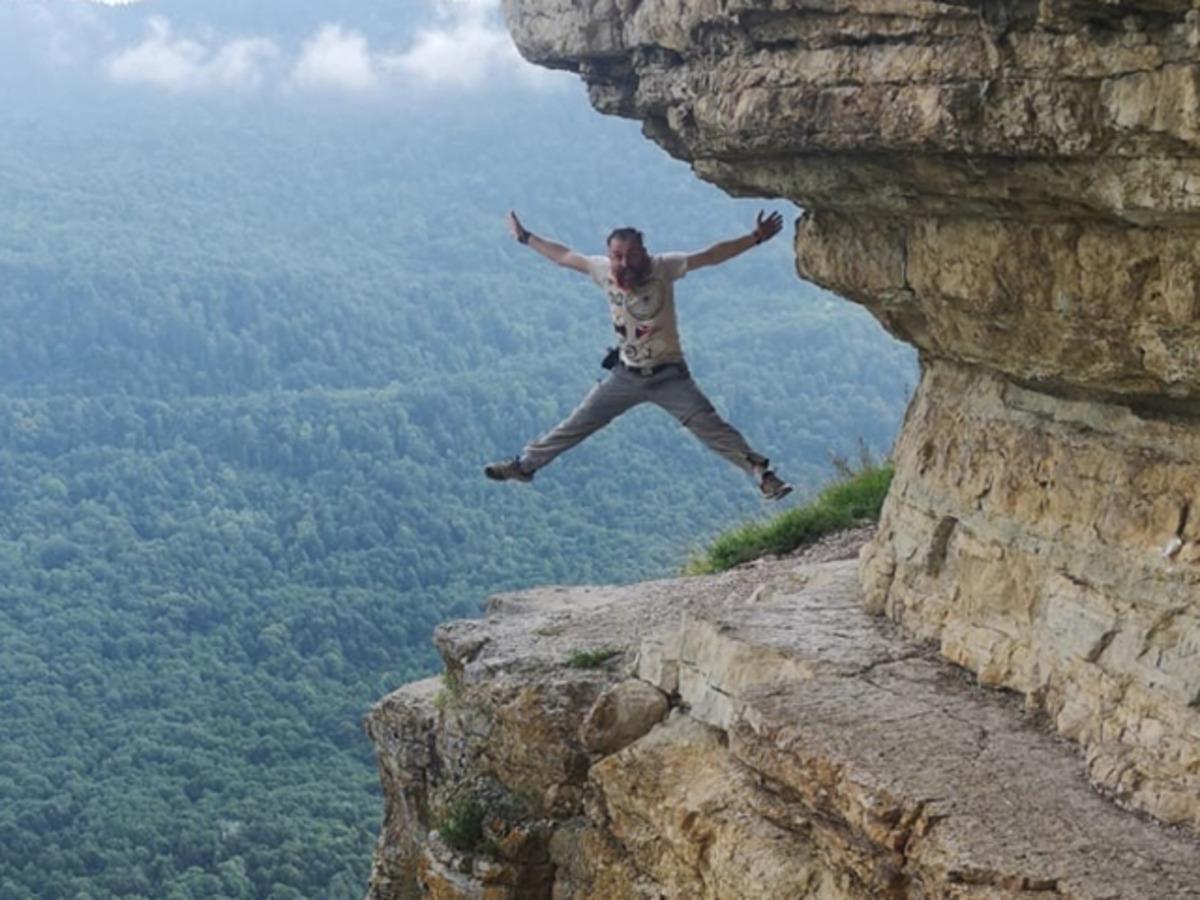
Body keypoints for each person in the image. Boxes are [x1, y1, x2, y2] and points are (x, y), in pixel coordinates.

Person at [484, 209, 793, 500]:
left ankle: (763, 475)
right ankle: (524, 466)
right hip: (626, 375)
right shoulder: (602, 270)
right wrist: (526, 237)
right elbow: (563, 256)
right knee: (577, 423)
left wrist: (755, 237)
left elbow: (711, 255)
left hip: (669, 375)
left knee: (711, 427)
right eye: (617, 256)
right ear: (609, 256)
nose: (624, 263)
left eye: (631, 255)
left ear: (644, 252)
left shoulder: (664, 267)